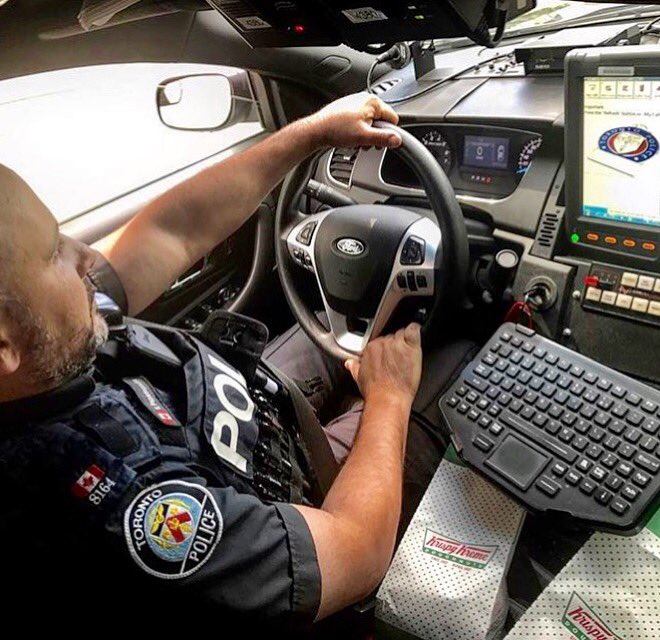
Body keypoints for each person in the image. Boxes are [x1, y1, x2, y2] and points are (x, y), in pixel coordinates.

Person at [0, 93, 468, 632]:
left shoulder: (48, 342)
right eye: (52, 253)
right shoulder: (119, 507)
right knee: (452, 354)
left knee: (327, 328)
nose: (85, 255)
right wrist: (388, 397)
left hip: (250, 407)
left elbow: (174, 230)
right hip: (308, 510)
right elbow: (356, 553)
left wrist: (312, 132)